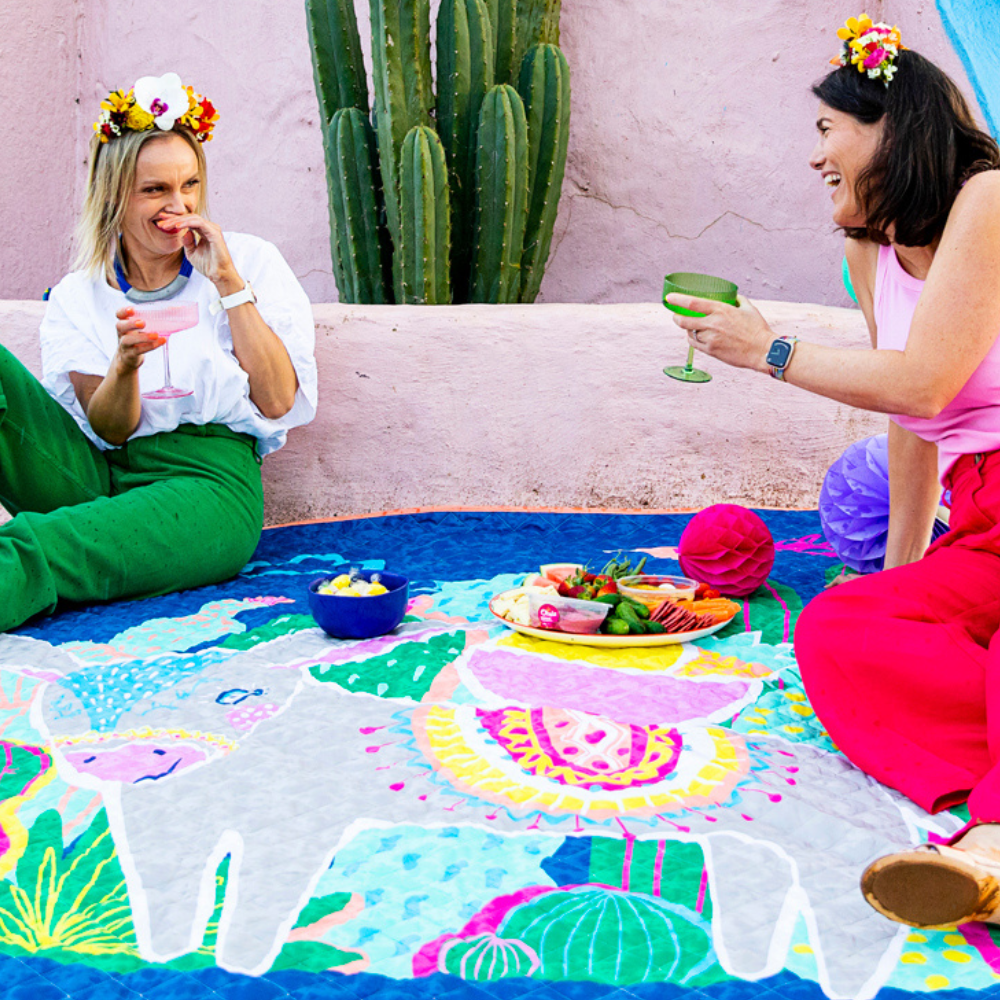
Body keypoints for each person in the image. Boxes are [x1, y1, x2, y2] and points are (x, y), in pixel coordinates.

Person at [665, 15, 1000, 929]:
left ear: (889, 123)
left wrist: (767, 349)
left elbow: (927, 376)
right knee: (843, 629)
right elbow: (914, 414)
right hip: (982, 521)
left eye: (825, 129)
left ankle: (988, 845)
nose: (815, 156)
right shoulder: (870, 250)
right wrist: (906, 578)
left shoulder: (992, 199)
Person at [0, 72, 317, 633]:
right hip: (99, 474)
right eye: (155, 190)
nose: (180, 205)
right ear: (115, 195)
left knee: (41, 547)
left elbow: (276, 400)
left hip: (208, 486)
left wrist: (228, 284)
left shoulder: (249, 260)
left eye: (190, 185)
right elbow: (113, 430)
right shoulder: (81, 293)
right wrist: (124, 366)